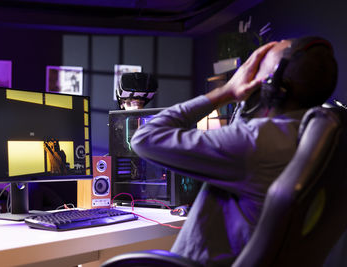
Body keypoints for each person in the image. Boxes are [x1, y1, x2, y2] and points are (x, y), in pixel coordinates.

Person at [130, 36, 338, 266]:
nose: (249, 71)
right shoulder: (312, 136)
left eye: (258, 64)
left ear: (271, 88)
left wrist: (226, 92)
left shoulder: (256, 142)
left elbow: (144, 137)